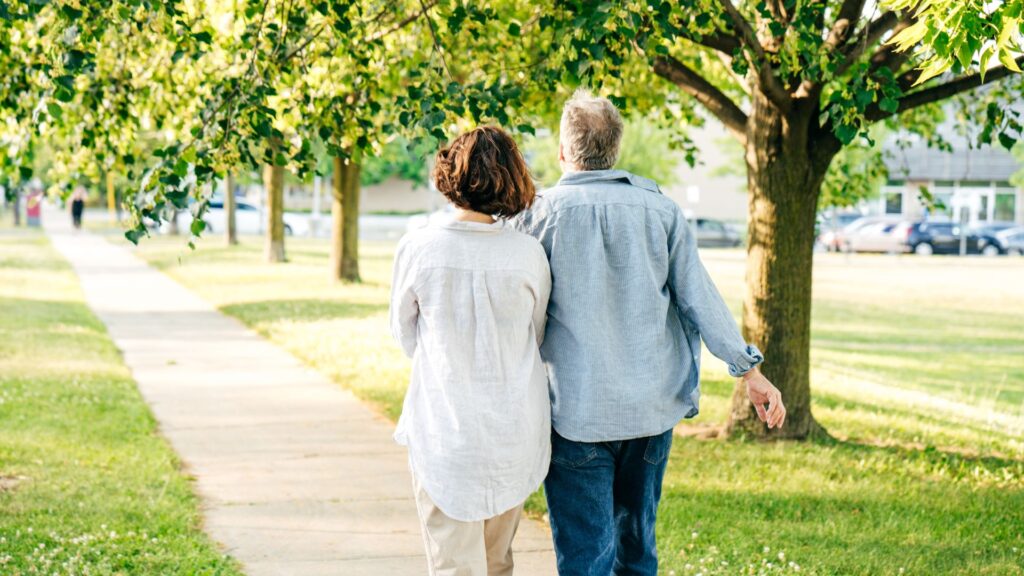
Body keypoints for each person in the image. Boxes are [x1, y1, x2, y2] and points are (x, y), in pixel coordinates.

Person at [513, 90, 787, 575]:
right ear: (616, 150)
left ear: (562, 151)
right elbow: (699, 297)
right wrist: (751, 372)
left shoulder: (539, 216)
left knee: (584, 556)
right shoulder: (661, 211)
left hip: (576, 411)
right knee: (637, 552)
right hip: (650, 409)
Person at [390, 126, 552, 576]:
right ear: (512, 178)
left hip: (444, 432)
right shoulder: (528, 254)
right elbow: (535, 336)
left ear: (448, 175)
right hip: (513, 432)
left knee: (453, 567)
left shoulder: (418, 247)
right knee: (498, 563)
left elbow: (404, 334)